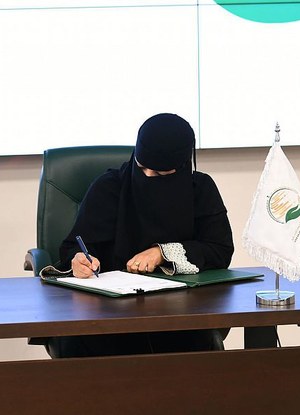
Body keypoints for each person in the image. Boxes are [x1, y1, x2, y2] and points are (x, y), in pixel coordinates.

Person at [49, 113, 234, 358]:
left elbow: (220, 249)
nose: (147, 176)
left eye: (159, 174)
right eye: (141, 166)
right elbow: (74, 246)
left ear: (181, 168)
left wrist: (163, 253)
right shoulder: (109, 187)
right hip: (107, 317)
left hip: (180, 314)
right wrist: (79, 261)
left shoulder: (200, 190)